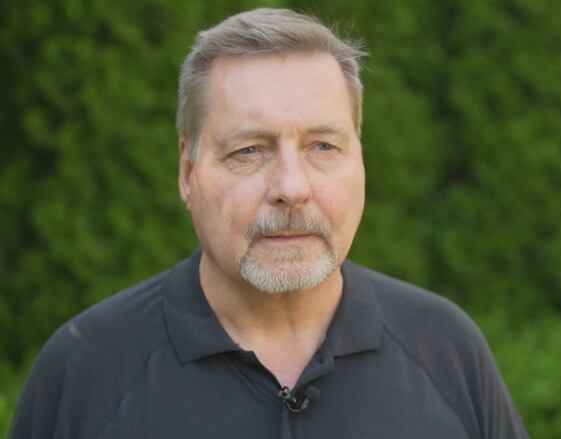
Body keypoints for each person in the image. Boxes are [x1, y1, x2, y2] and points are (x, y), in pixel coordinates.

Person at [9, 8, 528, 439]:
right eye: (249, 150)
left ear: (361, 161)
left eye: (322, 147)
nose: (291, 186)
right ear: (188, 172)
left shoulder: (447, 350)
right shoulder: (87, 370)